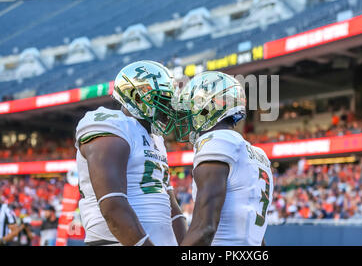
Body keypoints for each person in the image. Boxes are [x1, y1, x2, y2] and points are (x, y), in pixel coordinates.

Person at [75, 60, 187, 246]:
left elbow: (171, 206)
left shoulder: (156, 139)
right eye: (164, 101)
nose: (169, 109)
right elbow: (112, 207)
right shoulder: (112, 124)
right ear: (136, 97)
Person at [174, 71, 274, 246]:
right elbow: (258, 236)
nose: (187, 117)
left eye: (190, 109)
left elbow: (204, 229)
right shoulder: (258, 155)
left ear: (206, 109)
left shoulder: (217, 142)